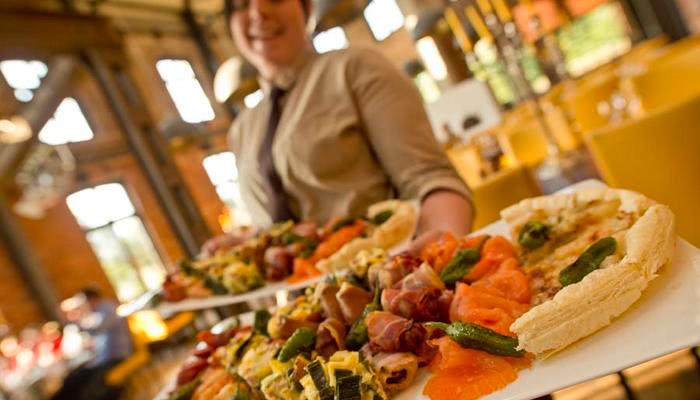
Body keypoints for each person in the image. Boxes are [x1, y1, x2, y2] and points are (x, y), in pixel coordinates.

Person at [212, 0, 474, 253]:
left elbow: (430, 179)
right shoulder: (241, 129)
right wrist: (246, 246)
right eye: (241, 4)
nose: (258, 12)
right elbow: (272, 225)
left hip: (385, 278)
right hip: (299, 295)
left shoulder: (355, 69)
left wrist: (441, 245)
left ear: (307, 7)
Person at [52, 287, 133, 400]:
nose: (84, 305)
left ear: (90, 299)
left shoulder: (107, 307)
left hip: (116, 356)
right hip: (105, 358)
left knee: (88, 390)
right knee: (72, 379)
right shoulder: (98, 312)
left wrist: (75, 322)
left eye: (83, 302)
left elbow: (98, 327)